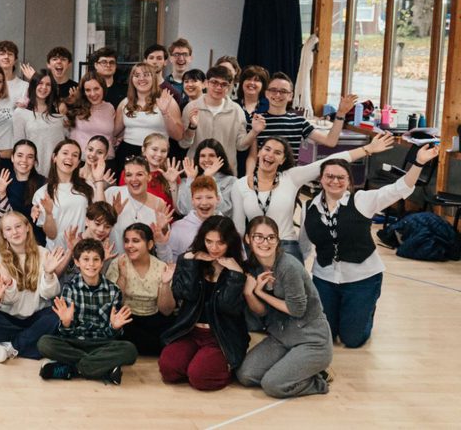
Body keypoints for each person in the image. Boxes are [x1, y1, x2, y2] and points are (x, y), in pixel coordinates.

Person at [302, 144, 437, 348]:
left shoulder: (363, 200)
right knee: (327, 335)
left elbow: (398, 189)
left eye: (340, 177)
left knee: (352, 340)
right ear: (321, 179)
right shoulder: (309, 208)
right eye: (329, 176)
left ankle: (366, 309)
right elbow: (303, 245)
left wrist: (418, 163)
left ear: (349, 181)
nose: (334, 181)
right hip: (325, 277)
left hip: (362, 278)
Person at [232, 134, 392, 260]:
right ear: (259, 152)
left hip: (285, 245)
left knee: (291, 296)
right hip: (255, 245)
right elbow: (238, 228)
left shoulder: (291, 177)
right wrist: (243, 257)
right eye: (267, 149)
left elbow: (329, 161)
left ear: (283, 160)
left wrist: (367, 149)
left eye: (277, 152)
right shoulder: (239, 185)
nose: (270, 155)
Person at [239, 216, 334, 398]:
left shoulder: (289, 266)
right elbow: (262, 312)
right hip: (282, 336)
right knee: (246, 375)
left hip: (311, 339)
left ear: (277, 240)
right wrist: (249, 293)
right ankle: (294, 367)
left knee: (273, 385)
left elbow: (296, 310)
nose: (265, 242)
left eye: (271, 237)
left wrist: (260, 293)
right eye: (258, 236)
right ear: (248, 239)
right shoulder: (254, 267)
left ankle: (318, 379)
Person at [159, 215, 248, 392]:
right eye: (209, 241)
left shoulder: (238, 269)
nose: (213, 248)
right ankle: (197, 362)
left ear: (230, 243)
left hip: (220, 335)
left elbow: (227, 307)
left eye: (220, 243)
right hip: (190, 331)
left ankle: (220, 366)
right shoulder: (191, 260)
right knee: (168, 369)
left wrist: (236, 275)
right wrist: (190, 262)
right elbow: (186, 295)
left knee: (201, 378)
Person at [36, 239, 137, 385]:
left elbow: (111, 334)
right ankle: (102, 369)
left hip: (101, 343)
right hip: (75, 342)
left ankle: (72, 369)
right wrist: (66, 323)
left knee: (130, 350)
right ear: (77, 262)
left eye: (96, 259)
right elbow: (66, 333)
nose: (91, 264)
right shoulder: (69, 288)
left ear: (102, 263)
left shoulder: (113, 291)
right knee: (44, 343)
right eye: (86, 259)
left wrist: (114, 327)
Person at [0, 213, 65, 362]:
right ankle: (32, 341)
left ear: (27, 228)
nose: (15, 232)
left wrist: (49, 274)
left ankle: (11, 345)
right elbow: (10, 300)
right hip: (10, 318)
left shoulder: (43, 253)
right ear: (3, 234)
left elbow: (48, 295)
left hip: (37, 317)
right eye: (9, 229)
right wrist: (10, 283)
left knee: (57, 315)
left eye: (18, 226)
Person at [105, 224, 176, 356]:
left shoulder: (161, 267)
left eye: (136, 241)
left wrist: (165, 284)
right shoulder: (118, 263)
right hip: (128, 317)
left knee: (172, 332)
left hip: (154, 317)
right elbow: (113, 303)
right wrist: (123, 276)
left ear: (149, 245)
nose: (129, 245)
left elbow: (166, 311)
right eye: (126, 241)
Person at [179, 65, 263, 175]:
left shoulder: (236, 110)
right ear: (206, 83)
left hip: (225, 173)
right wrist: (192, 127)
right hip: (195, 171)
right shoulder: (191, 107)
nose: (218, 87)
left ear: (229, 87)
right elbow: (184, 144)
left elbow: (241, 146)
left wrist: (254, 132)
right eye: (214, 82)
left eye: (224, 84)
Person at [256, 73, 358, 157]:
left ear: (290, 96)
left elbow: (330, 141)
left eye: (283, 91)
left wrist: (340, 113)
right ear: (266, 93)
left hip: (290, 176)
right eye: (273, 90)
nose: (277, 95)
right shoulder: (257, 120)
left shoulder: (299, 121)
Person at [112, 64, 184, 173]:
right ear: (132, 79)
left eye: (146, 75)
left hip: (157, 155)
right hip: (127, 154)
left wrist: (165, 113)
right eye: (137, 75)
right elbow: (114, 131)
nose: (141, 79)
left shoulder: (167, 101)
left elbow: (178, 135)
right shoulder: (125, 103)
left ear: (153, 78)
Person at [33, 140, 97, 250]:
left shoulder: (88, 185)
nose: (70, 158)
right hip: (56, 254)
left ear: (77, 163)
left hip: (83, 253)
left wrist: (99, 181)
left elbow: (99, 215)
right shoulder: (42, 193)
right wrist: (48, 213)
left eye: (75, 155)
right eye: (65, 153)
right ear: (55, 157)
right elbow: (51, 235)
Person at [13, 69, 68, 176]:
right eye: (40, 83)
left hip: (58, 173)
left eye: (48, 84)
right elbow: (19, 146)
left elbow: (66, 141)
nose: (44, 88)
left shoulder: (59, 112)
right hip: (32, 173)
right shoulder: (21, 113)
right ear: (33, 85)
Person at [163, 175, 223, 262]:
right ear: (192, 201)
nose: (204, 203)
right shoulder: (178, 227)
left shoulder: (228, 226)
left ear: (217, 199)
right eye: (198, 198)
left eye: (209, 197)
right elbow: (170, 261)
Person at [174, 139, 236, 217]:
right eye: (202, 156)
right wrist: (190, 180)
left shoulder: (231, 181)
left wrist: (209, 178)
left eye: (212, 155)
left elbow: (225, 211)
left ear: (220, 158)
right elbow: (185, 210)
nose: (206, 159)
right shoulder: (188, 179)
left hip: (218, 227)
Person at [65, 73, 116, 162]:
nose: (93, 94)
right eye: (88, 90)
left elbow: (114, 134)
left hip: (106, 161)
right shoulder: (75, 107)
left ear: (103, 88)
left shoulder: (110, 108)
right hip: (81, 161)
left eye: (96, 89)